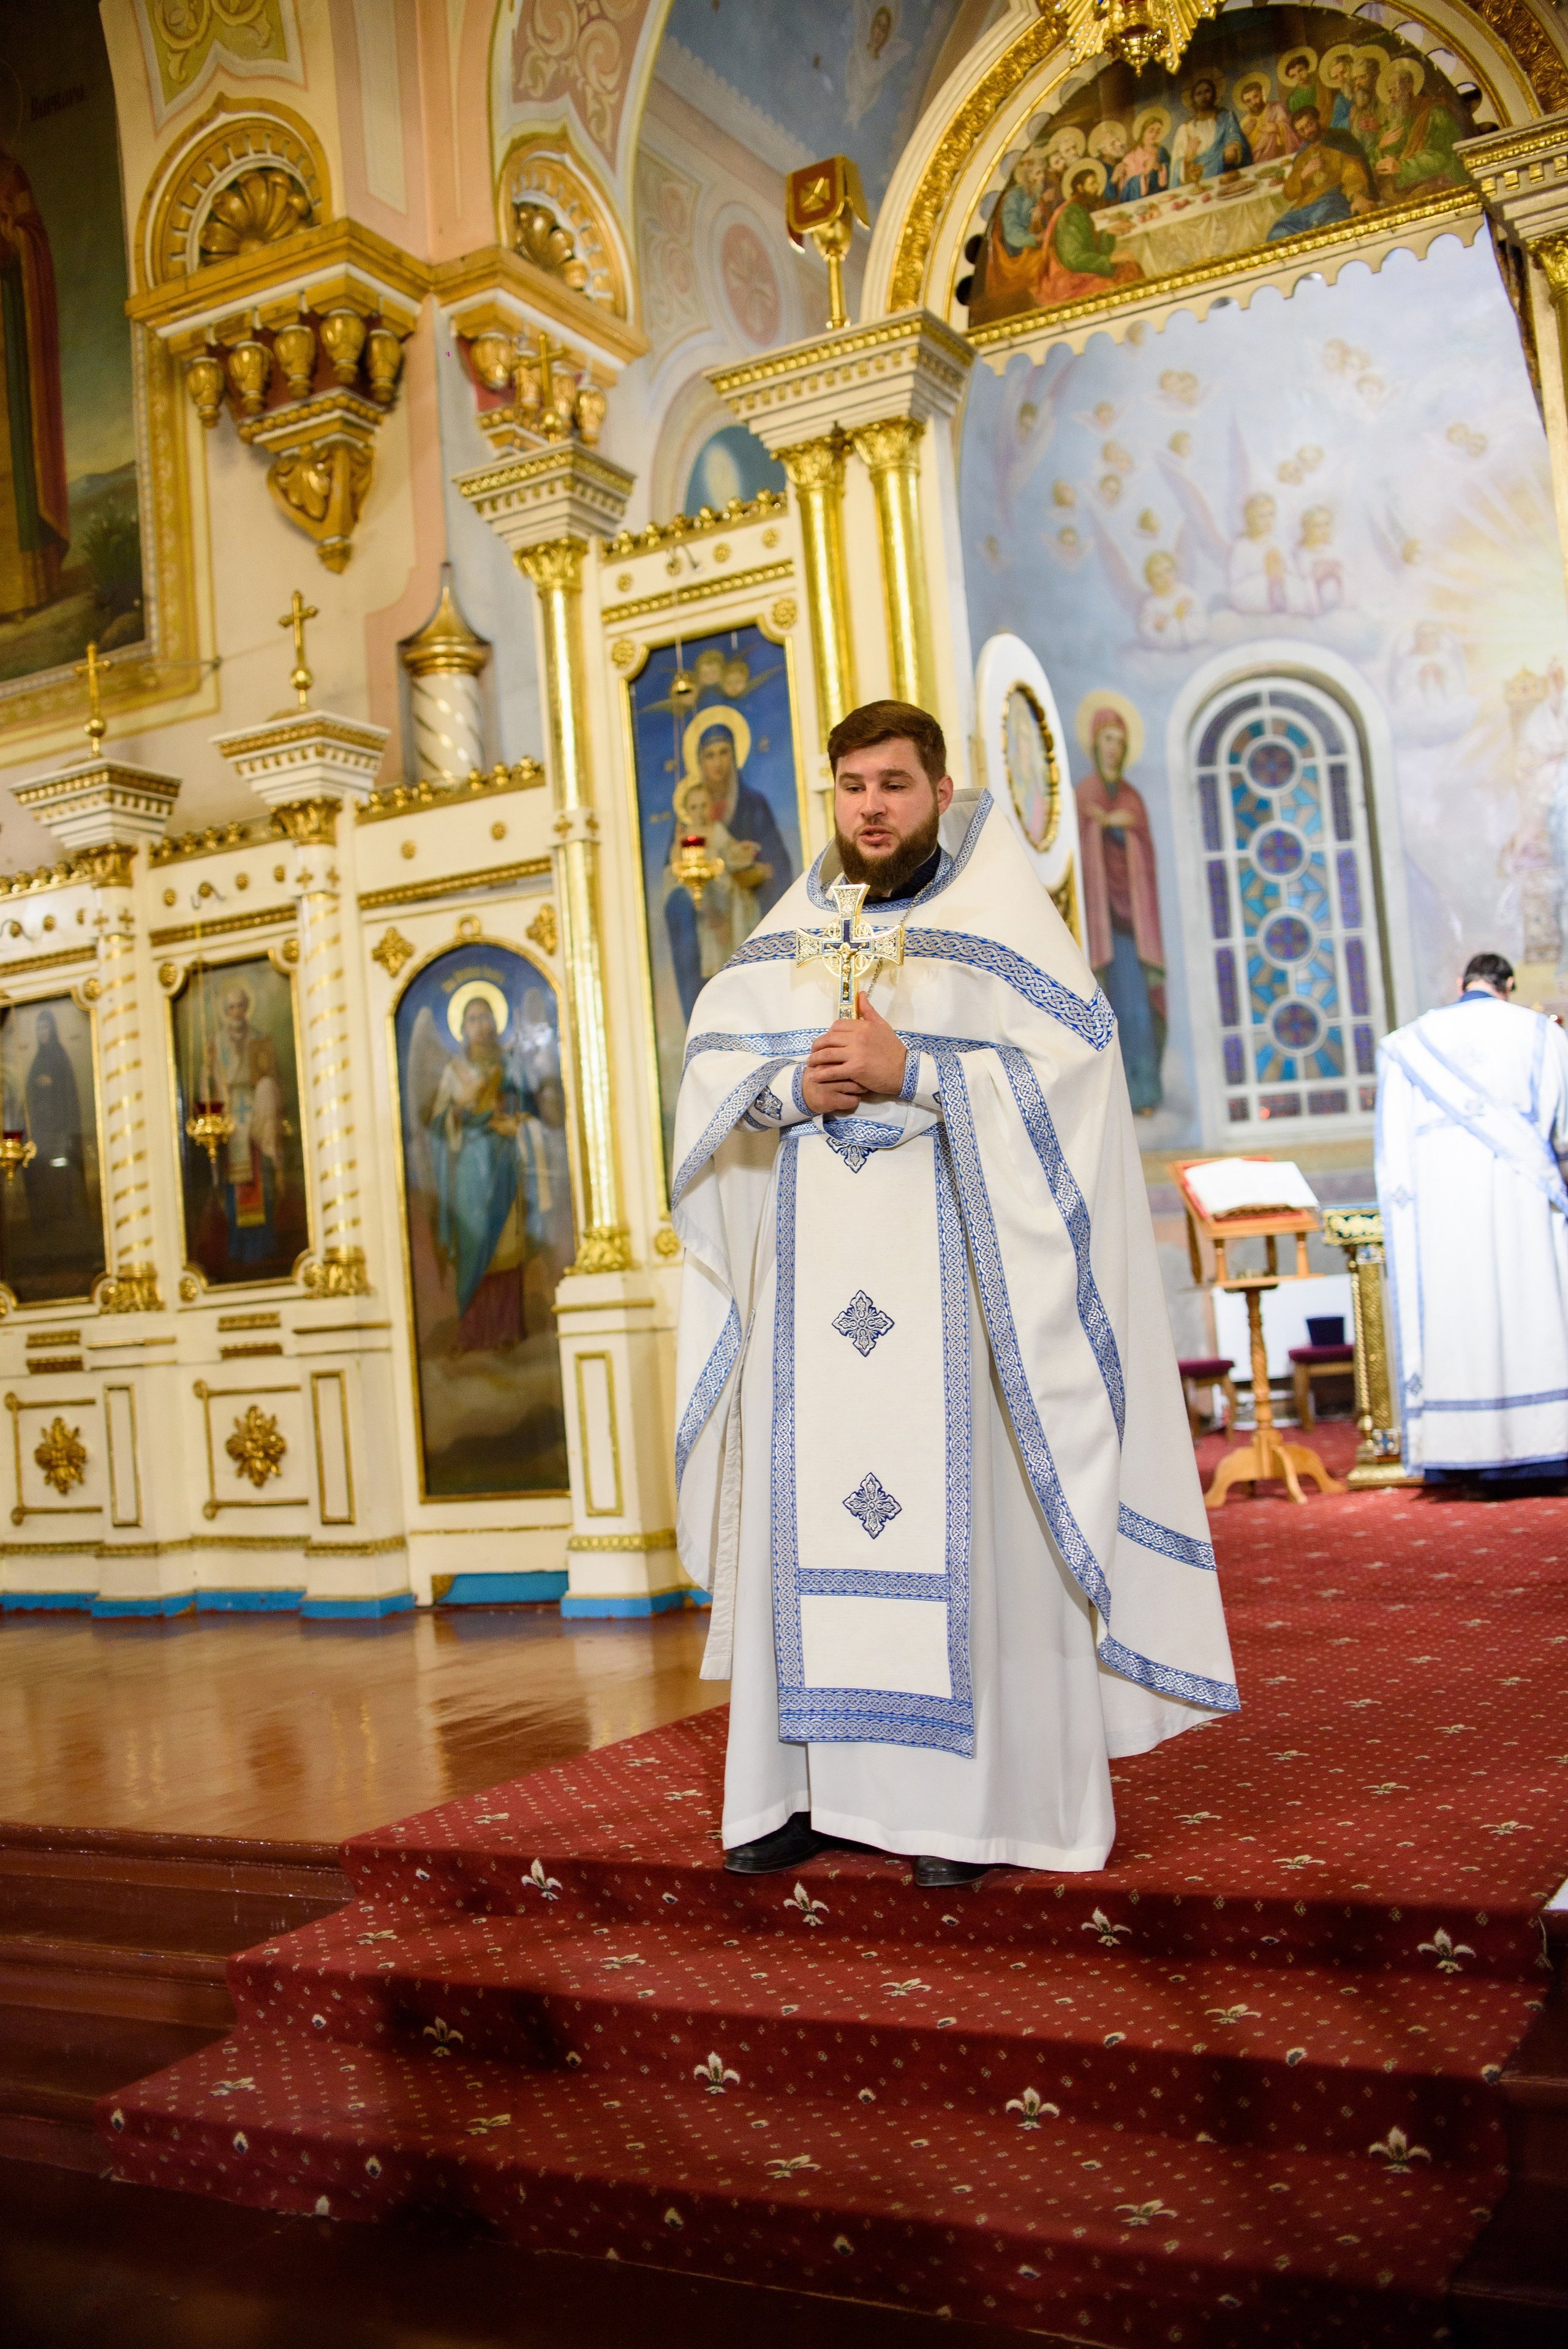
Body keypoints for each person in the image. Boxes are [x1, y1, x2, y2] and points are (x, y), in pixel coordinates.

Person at [671, 701, 1236, 1889]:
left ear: (938, 790)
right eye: (849, 786)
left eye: (892, 784)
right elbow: (714, 1069)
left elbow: (1076, 1080)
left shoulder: (997, 920)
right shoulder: (794, 931)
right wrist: (790, 1090)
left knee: (961, 1529)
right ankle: (803, 1793)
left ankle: (967, 1815)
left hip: (960, 1308)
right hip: (807, 1312)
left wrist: (912, 1067)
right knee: (804, 1517)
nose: (869, 806)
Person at [1378, 952, 1568, 1488]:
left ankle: (1464, 1456)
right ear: (1506, 985)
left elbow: (1396, 1152)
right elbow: (1564, 1133)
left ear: (1461, 984)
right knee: (1532, 1310)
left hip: (1445, 1209)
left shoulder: (1410, 1043)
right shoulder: (1541, 1033)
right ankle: (1546, 1452)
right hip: (1522, 1205)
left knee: (1461, 1317)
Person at [1074, 701, 1167, 1112]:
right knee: (1104, 1008)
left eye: (1120, 742)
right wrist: (1097, 827)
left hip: (1129, 926)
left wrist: (1121, 830)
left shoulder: (1132, 799)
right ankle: (1111, 1100)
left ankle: (1143, 1093)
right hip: (1097, 924)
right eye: (1108, 740)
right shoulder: (1084, 796)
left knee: (1136, 1011)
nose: (1114, 749)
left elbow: (1145, 854)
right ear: (1095, 744)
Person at [0, 144, 68, 617]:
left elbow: (32, 240)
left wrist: (9, 236)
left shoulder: (9, 175)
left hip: (9, 335)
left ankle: (25, 590)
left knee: (14, 454)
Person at [200, 983, 285, 1270]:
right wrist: (209, 1069)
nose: (236, 1011)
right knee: (235, 1185)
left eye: (240, 1005)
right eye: (231, 1007)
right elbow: (208, 1083)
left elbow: (273, 1076)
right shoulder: (217, 1042)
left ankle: (262, 1245)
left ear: (247, 1007)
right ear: (226, 1012)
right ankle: (239, 1245)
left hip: (258, 1116)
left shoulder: (261, 1039)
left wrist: (266, 1092)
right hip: (231, 1118)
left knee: (261, 1180)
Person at [1036, 162, 1143, 306]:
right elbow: (1073, 259)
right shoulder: (1071, 213)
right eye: (1092, 184)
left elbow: (1090, 244)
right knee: (1130, 272)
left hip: (1082, 267)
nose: (1097, 187)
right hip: (1070, 279)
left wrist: (1109, 232)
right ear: (1080, 188)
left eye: (1097, 183)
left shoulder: (1078, 208)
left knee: (1130, 265)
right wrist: (1112, 258)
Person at [1266, 104, 1375, 239]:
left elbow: (1353, 173)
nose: (1307, 131)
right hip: (1303, 209)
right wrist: (1303, 174)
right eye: (1301, 130)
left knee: (1330, 233)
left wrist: (1358, 197)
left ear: (1318, 120)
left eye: (1310, 124)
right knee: (1276, 236)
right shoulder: (1302, 156)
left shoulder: (1340, 142)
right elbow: (1288, 193)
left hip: (1333, 202)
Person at [1169, 74, 1250, 183]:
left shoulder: (1226, 117)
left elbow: (1234, 137)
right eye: (1199, 93)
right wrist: (1188, 158)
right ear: (1193, 98)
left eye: (1207, 91)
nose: (1204, 96)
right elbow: (1176, 166)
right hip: (1199, 182)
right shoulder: (1185, 129)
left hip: (1226, 177)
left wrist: (1234, 145)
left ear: (1214, 94)